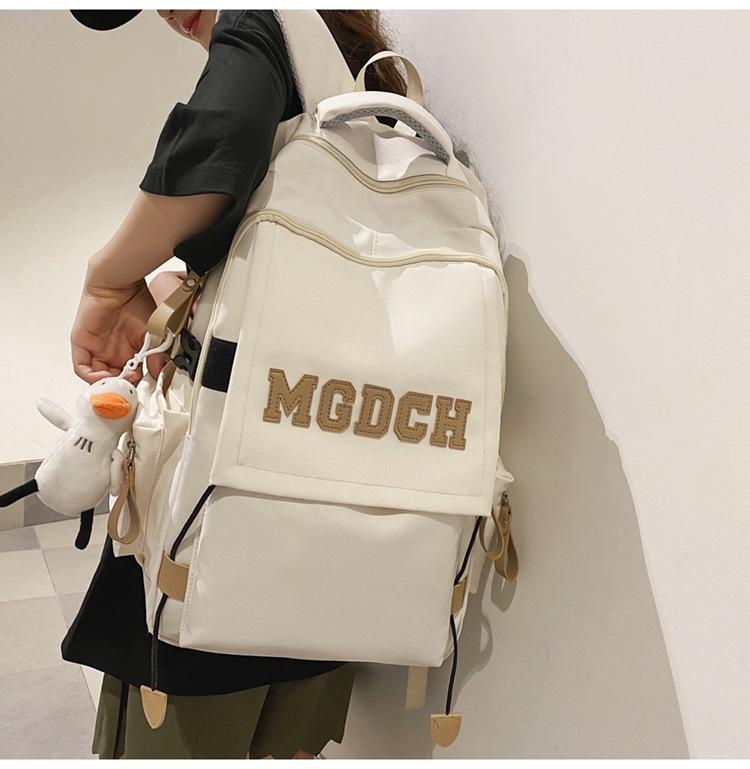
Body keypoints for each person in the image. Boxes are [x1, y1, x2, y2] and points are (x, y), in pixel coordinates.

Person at [64, 9, 406, 759]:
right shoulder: (362, 98)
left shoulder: (257, 27)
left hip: (224, 513)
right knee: (285, 737)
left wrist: (105, 277)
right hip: (337, 510)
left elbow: (221, 134)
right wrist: (182, 294)